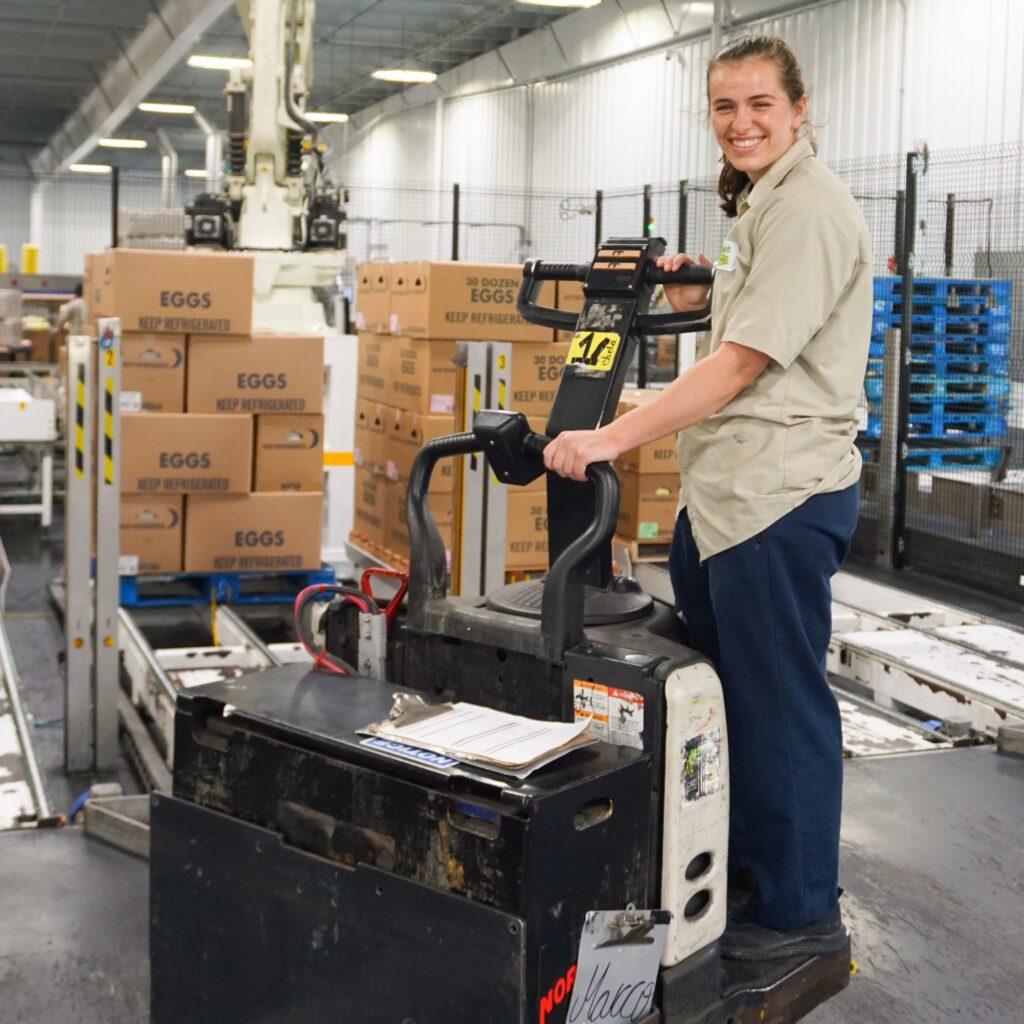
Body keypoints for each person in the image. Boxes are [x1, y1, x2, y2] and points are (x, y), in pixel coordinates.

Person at [543, 35, 872, 960]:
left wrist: (610, 436)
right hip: (728, 500)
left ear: (799, 109)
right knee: (732, 708)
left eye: (761, 104)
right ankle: (753, 876)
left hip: (775, 500)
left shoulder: (806, 209)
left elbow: (737, 367)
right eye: (725, 108)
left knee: (779, 709)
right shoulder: (761, 205)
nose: (742, 123)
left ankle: (801, 912)